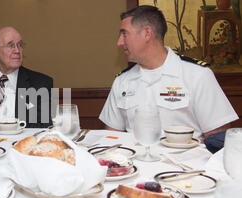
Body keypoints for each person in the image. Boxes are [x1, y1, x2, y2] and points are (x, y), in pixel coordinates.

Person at [99, 5, 238, 140]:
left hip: (186, 162)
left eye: (124, 34)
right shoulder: (122, 81)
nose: (119, 42)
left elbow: (218, 139)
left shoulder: (198, 76)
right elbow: (112, 138)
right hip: (136, 162)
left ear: (147, 33)